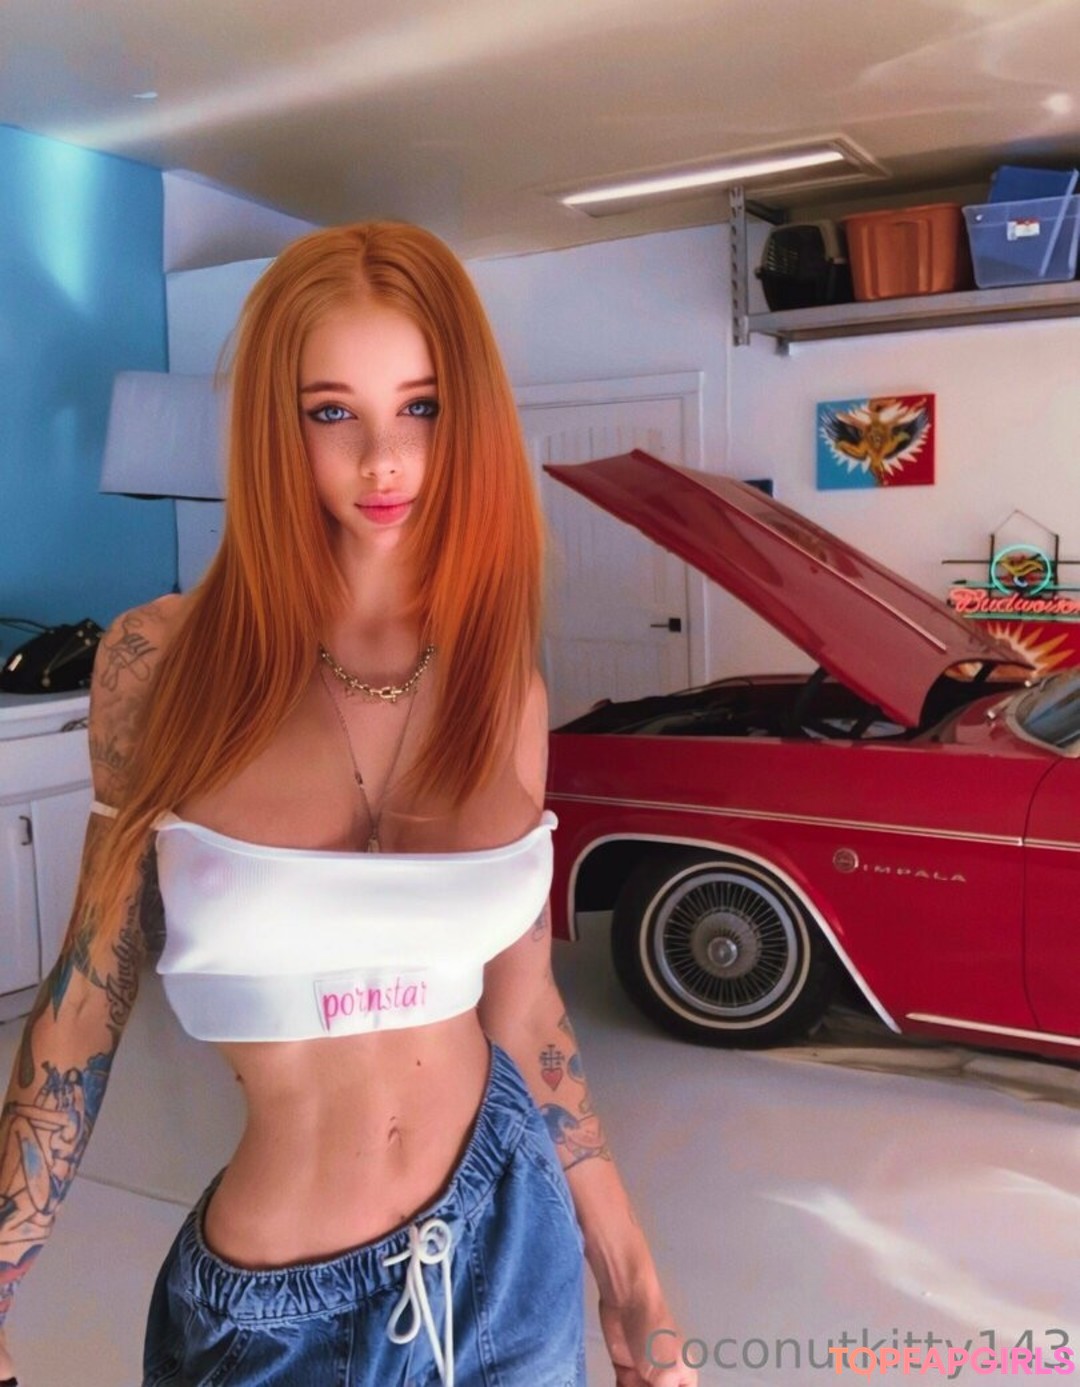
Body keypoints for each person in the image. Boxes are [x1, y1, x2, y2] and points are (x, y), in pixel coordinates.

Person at [0, 221, 697, 1387]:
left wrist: (632, 1279)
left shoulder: (500, 681)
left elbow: (526, 1007)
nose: (384, 459)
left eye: (421, 406)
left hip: (512, 1242)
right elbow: (85, 997)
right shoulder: (160, 663)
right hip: (281, 1316)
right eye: (334, 411)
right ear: (277, 428)